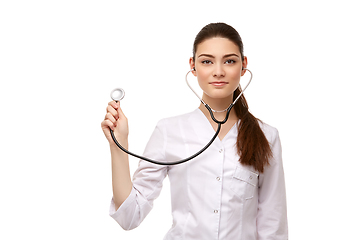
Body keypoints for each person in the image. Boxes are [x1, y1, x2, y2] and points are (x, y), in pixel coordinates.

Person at [101, 22, 288, 240]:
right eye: (207, 61)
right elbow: (129, 217)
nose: (218, 72)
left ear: (243, 65)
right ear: (193, 66)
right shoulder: (169, 131)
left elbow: (273, 226)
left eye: (229, 61)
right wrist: (118, 144)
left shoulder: (267, 136)